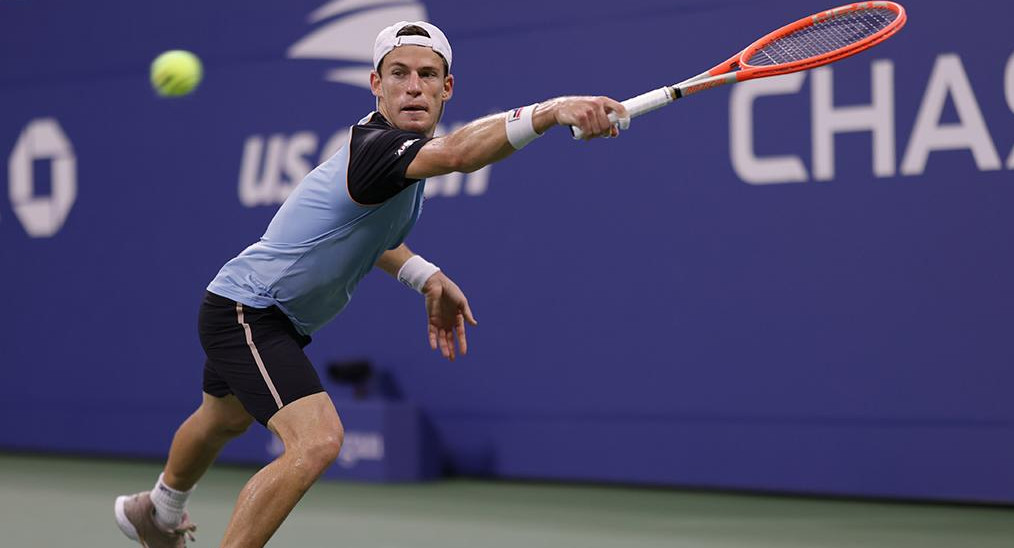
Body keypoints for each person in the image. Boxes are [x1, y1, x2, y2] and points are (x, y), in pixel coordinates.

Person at [114, 20, 629, 548]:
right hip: (249, 310)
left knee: (222, 418)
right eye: (398, 74)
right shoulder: (378, 148)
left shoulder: (392, 157)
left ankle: (156, 510)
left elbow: (368, 237)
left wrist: (424, 274)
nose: (413, 86)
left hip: (256, 308)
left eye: (428, 75)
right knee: (316, 442)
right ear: (375, 85)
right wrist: (551, 111)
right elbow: (459, 155)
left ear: (446, 88)